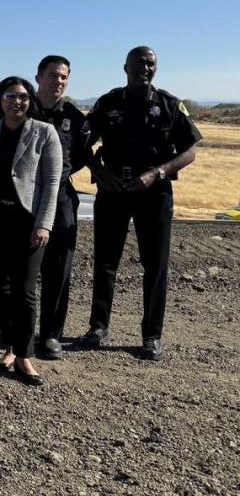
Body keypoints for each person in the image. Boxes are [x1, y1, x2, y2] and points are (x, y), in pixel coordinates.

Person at [79, 46, 201, 360]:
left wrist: (158, 173)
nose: (144, 68)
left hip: (154, 193)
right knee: (105, 262)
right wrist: (99, 172)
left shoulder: (169, 105)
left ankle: (151, 336)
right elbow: (83, 143)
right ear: (125, 67)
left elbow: (190, 151)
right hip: (114, 189)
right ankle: (97, 327)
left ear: (155, 68)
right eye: (138, 63)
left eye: (150, 63)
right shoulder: (108, 103)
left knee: (155, 266)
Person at [0, 77, 61, 386]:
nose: (16, 101)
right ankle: (9, 346)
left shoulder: (44, 133)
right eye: (10, 95)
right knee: (2, 287)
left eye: (23, 96)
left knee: (24, 290)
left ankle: (24, 355)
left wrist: (44, 223)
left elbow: (52, 182)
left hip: (28, 223)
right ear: (0, 100)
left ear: (29, 100)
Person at [33, 55, 91, 359]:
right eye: (53, 75)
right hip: (25, 195)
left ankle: (51, 335)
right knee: (23, 269)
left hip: (61, 197)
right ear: (38, 77)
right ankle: (18, 332)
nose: (59, 81)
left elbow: (82, 154)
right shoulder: (22, 107)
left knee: (59, 268)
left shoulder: (74, 117)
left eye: (64, 77)